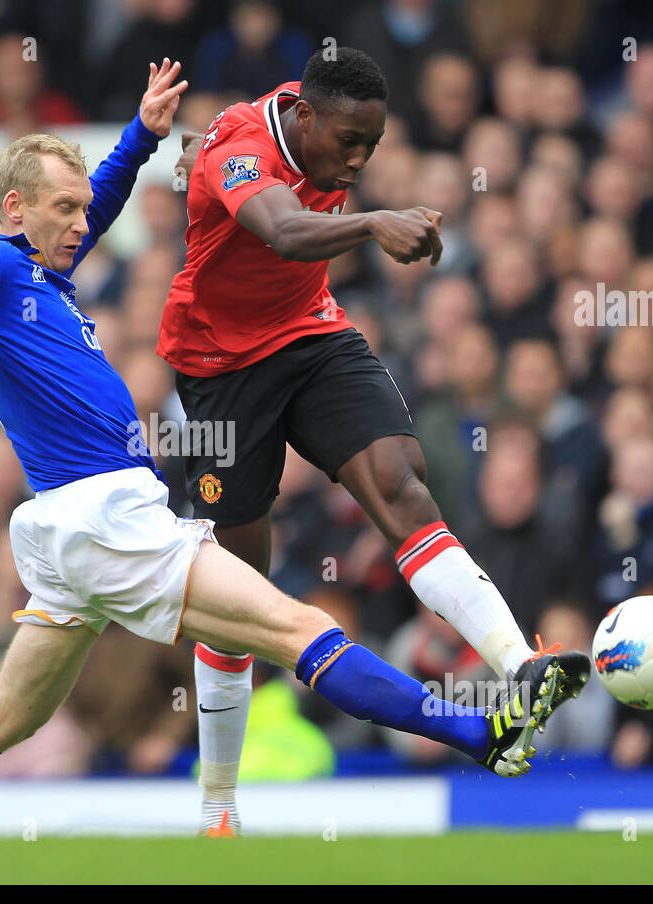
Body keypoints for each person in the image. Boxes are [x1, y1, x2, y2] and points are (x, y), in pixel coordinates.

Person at [0, 61, 579, 840]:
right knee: (300, 625)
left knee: (3, 715)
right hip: (107, 517)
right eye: (63, 209)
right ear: (14, 212)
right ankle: (477, 733)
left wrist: (140, 134)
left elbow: (106, 198)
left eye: (84, 207)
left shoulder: (41, 273)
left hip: (71, 533)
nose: (83, 223)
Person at [161, 47, 589, 834]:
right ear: (306, 119)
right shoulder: (246, 149)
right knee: (236, 591)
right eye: (349, 144)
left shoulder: (317, 109)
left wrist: (193, 152)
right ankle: (218, 808)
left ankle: (520, 664)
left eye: (372, 146)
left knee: (403, 481)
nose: (358, 159)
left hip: (312, 337)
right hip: (222, 371)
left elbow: (230, 168)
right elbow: (285, 231)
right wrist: (374, 220)